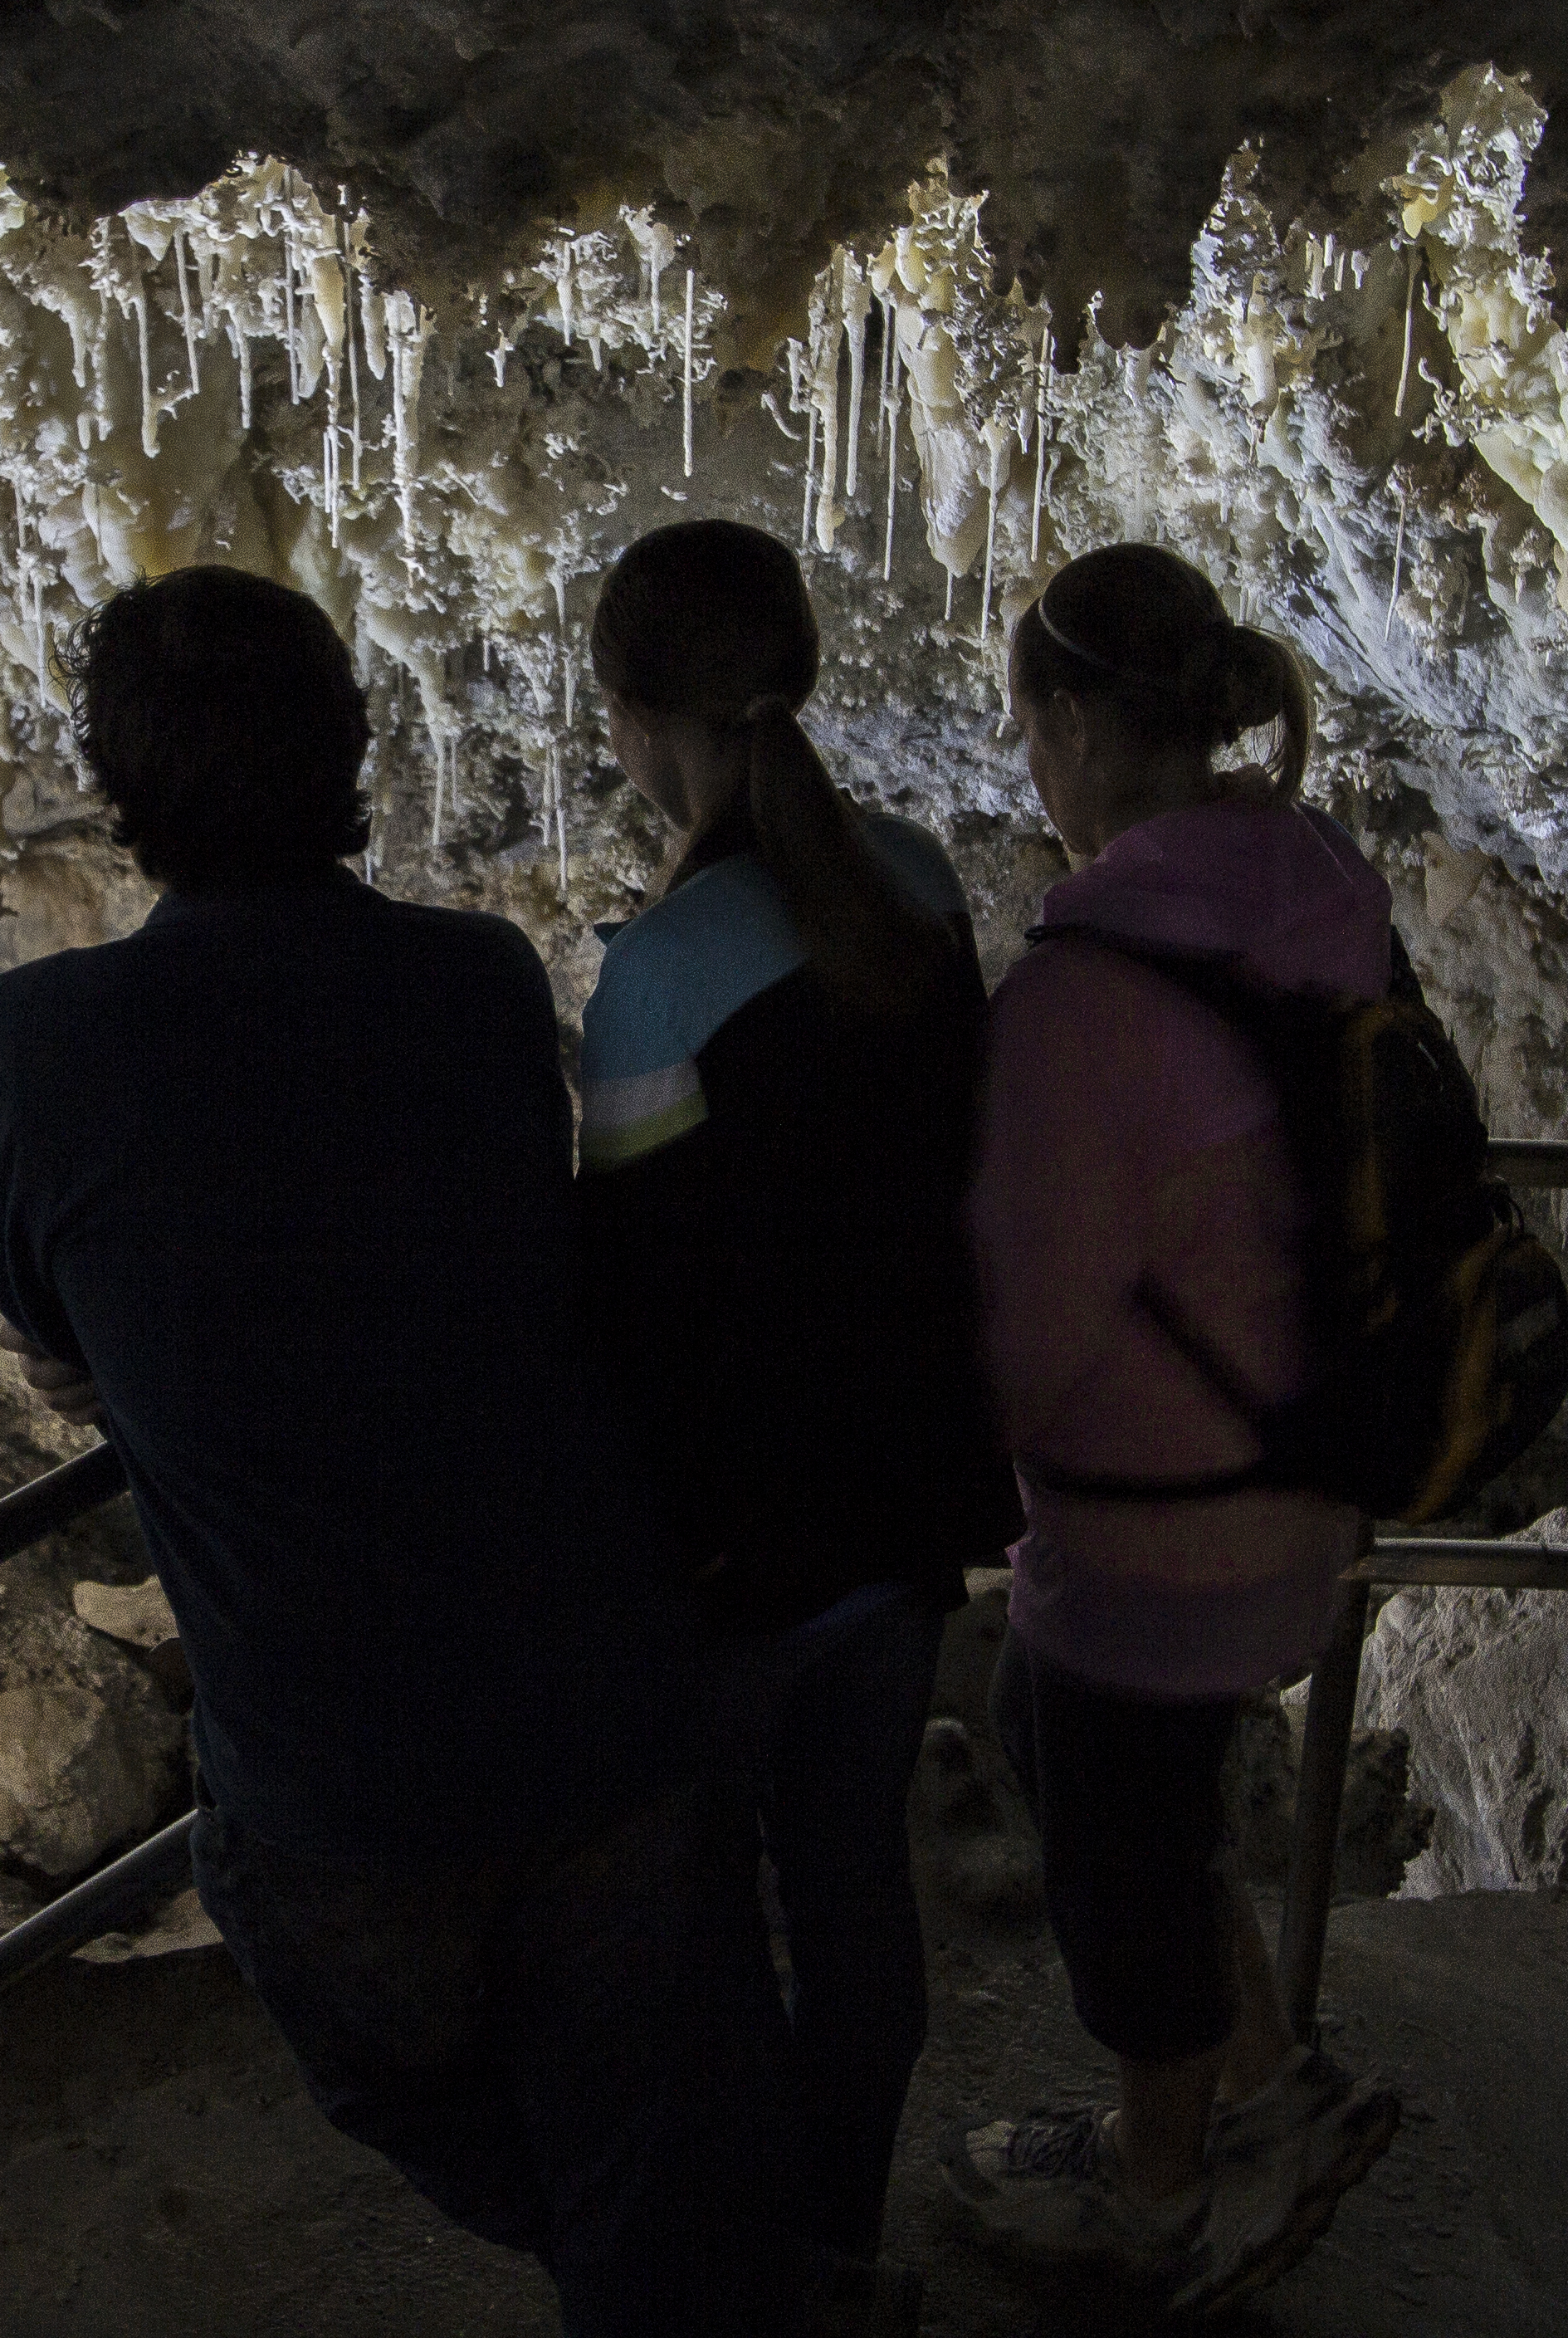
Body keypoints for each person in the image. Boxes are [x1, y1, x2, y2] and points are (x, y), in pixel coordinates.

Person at [0, 564, 825, 2338]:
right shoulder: (476, 985)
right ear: (350, 752)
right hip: (597, 1702)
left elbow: (52, 1317)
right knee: (647, 2152)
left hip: (331, 1781)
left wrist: (141, 1356)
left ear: (117, 787)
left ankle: (653, 2268)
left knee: (420, 2088)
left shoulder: (36, 1048)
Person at [934, 543, 1404, 2306]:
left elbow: (1032, 1343)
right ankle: (1276, 2088)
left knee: (1115, 1853)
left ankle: (1165, 2185)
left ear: (1065, 725)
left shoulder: (1085, 994)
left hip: (1157, 1522)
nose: (1023, 771)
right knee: (1072, 1758)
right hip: (1319, 1472)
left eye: (1024, 733)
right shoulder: (1320, 881)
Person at [573, 519, 1014, 2268]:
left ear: (633, 721)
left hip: (736, 1556)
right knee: (852, 1893)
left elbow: (640, 1304)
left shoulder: (660, 978)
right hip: (903, 1516)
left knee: (702, 1924)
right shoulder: (918, 885)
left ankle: (741, 2268)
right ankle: (842, 2246)